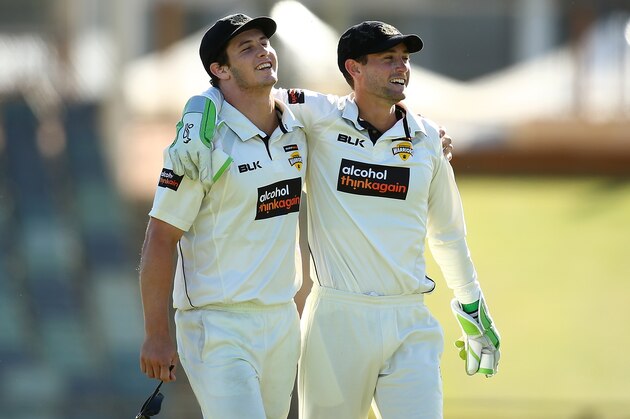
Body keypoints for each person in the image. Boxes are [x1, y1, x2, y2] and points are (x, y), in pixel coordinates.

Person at [166, 17, 501, 419]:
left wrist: (470, 304)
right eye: (387, 58)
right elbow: (244, 89)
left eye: (403, 58)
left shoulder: (427, 138)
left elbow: (448, 233)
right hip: (336, 321)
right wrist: (197, 107)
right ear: (353, 69)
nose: (401, 67)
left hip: (410, 320)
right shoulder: (316, 115)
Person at [138, 14, 307, 419]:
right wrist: (156, 334)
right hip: (217, 326)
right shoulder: (200, 143)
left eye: (264, 43)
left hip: (282, 320)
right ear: (220, 69)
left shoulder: (297, 126)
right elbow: (160, 238)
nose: (263, 51)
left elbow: (354, 108)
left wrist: (422, 127)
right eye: (246, 48)